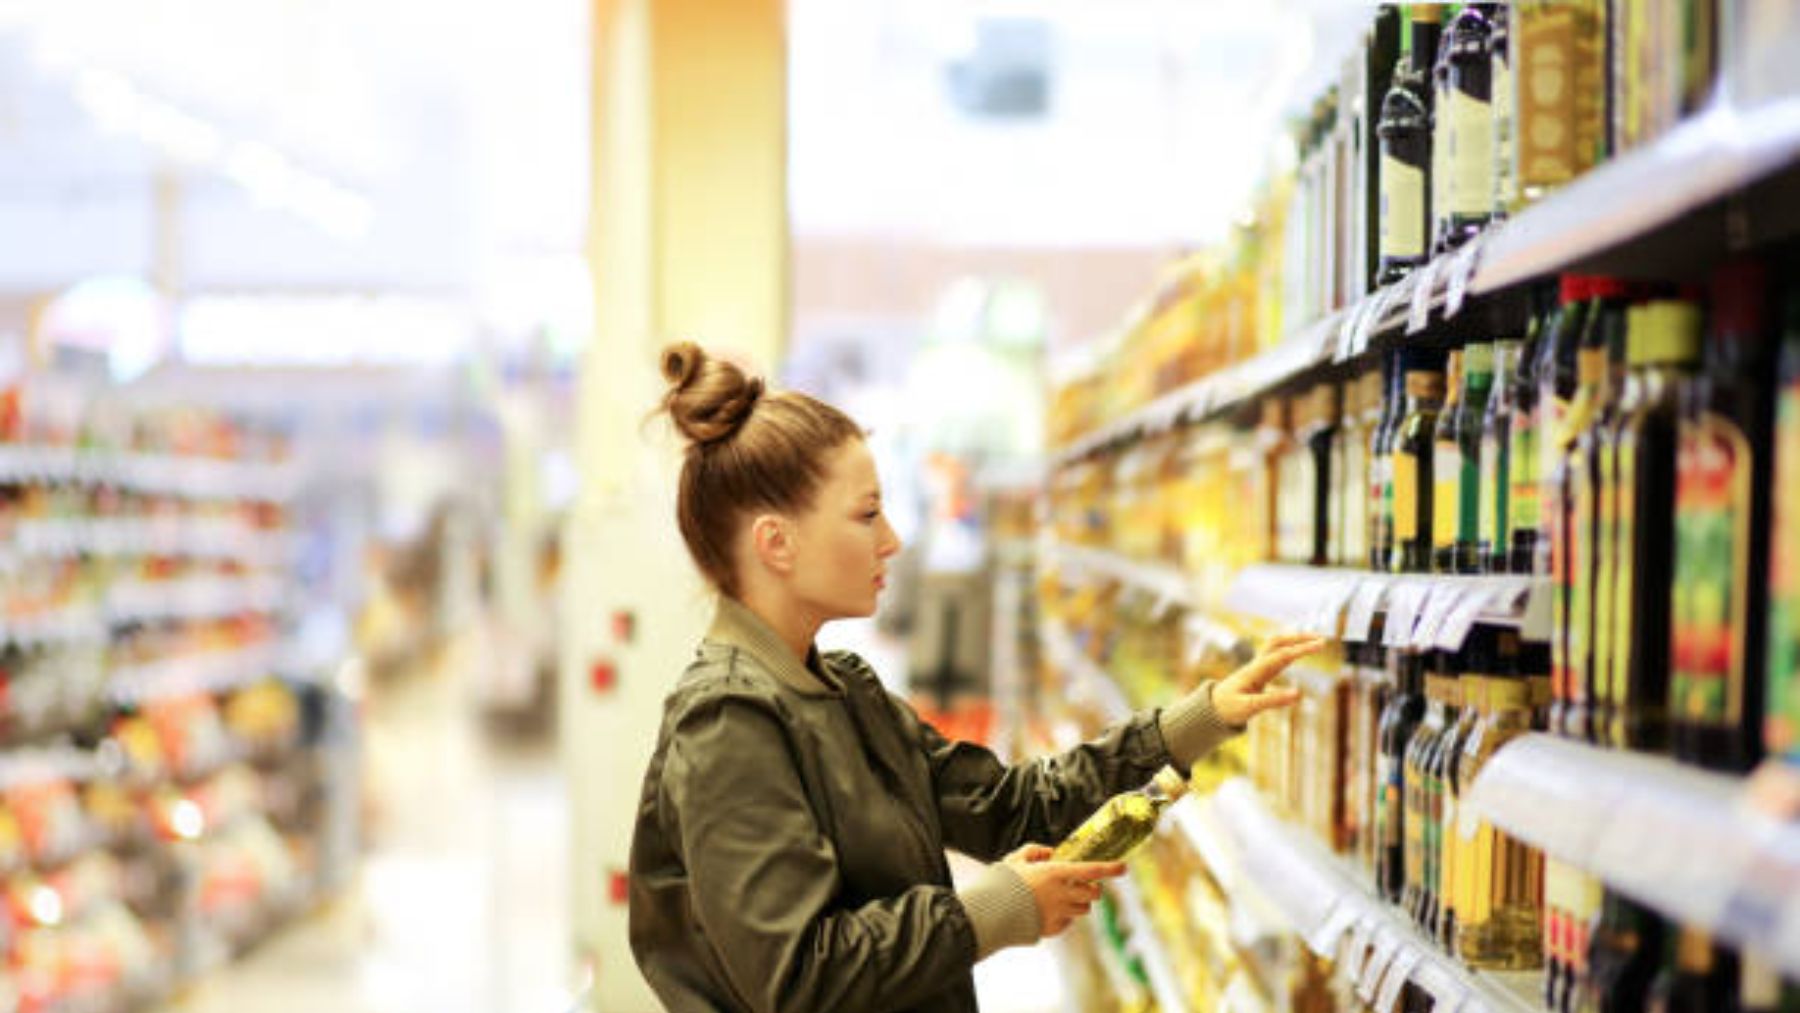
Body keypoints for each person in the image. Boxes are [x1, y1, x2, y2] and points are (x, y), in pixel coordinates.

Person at [628, 342, 1326, 1013]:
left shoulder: (846, 691)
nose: (892, 539)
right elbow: (801, 972)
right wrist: (997, 909)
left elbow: (1009, 808)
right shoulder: (727, 722)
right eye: (867, 513)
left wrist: (1195, 721)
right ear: (776, 542)